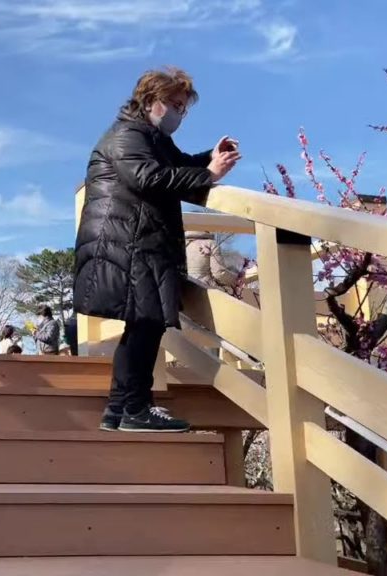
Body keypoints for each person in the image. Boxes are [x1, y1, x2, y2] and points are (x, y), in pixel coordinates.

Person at [73, 66, 241, 433]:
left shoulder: (149, 137)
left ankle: (121, 409)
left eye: (184, 106)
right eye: (174, 103)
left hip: (134, 239)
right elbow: (147, 177)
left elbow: (174, 166)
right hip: (127, 242)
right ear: (150, 100)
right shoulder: (127, 134)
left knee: (142, 324)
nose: (179, 112)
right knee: (145, 324)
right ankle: (135, 408)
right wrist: (208, 175)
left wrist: (208, 160)